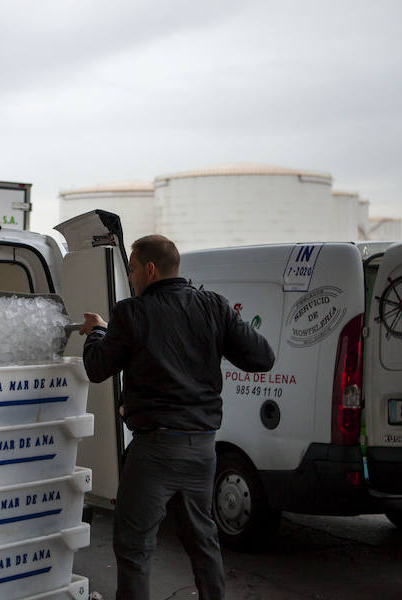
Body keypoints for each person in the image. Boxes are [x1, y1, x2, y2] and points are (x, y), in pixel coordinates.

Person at [79, 234, 275, 600]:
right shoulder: (213, 306)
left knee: (135, 548)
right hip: (202, 449)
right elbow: (263, 357)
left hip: (154, 450)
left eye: (133, 268)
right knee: (203, 544)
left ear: (150, 269)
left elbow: (96, 367)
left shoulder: (131, 313)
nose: (131, 276)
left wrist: (98, 332)